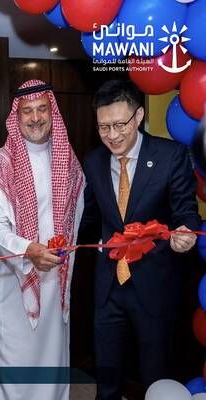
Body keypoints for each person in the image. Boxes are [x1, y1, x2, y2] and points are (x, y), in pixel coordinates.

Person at [80, 79, 200, 399]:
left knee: (155, 377)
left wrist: (185, 233)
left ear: (138, 116)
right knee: (107, 379)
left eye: (120, 125)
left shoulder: (170, 155)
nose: (113, 135)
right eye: (104, 127)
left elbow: (186, 212)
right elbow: (88, 220)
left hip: (154, 285)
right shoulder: (93, 162)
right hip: (109, 288)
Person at [0, 80, 85, 400]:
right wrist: (28, 250)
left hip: (54, 283)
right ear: (16, 116)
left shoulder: (68, 160)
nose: (35, 118)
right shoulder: (2, 162)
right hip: (10, 285)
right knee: (12, 367)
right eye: (27, 111)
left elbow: (77, 219)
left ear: (52, 112)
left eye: (42, 109)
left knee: (51, 365)